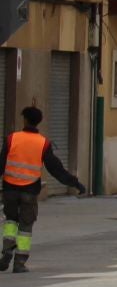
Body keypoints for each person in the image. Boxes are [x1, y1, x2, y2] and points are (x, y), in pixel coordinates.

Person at [2, 107, 87, 272]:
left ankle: (6, 252)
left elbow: (0, 164)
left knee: (11, 222)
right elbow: (56, 169)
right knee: (26, 226)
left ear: (25, 120)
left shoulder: (12, 139)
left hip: (10, 190)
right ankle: (19, 263)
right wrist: (75, 183)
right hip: (29, 192)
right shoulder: (43, 143)